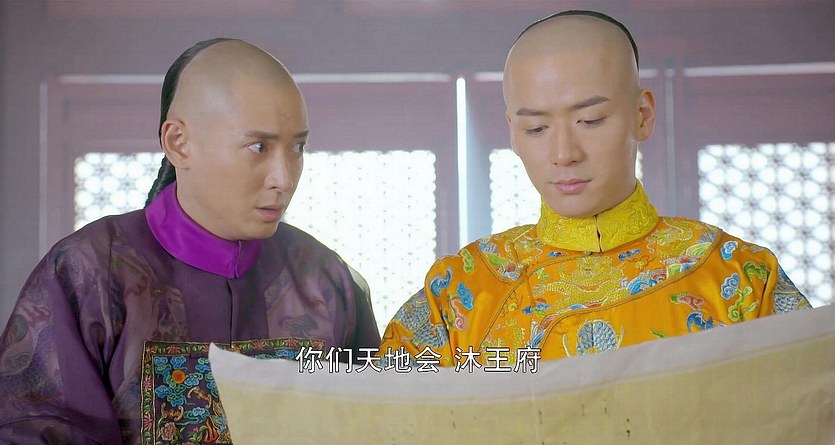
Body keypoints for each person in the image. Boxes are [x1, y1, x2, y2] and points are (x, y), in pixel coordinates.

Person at [379, 11, 810, 368]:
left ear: (642, 115)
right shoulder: (459, 292)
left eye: (590, 121)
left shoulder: (741, 278)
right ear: (512, 132)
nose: (564, 153)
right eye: (536, 128)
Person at [0, 38, 380, 444]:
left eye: (297, 147)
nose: (283, 178)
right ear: (179, 143)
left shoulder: (326, 281)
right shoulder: (88, 272)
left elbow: (379, 425)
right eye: (258, 147)